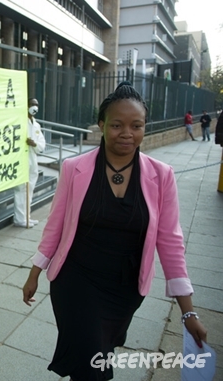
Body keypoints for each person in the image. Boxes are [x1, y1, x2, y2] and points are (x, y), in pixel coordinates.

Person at [22, 82, 207, 380]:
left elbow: (171, 243)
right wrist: (35, 272)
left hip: (125, 289)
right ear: (101, 125)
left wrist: (188, 311)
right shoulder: (74, 168)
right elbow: (55, 224)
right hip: (76, 281)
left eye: (137, 126)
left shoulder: (162, 176)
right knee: (92, 365)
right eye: (117, 125)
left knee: (99, 353)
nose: (127, 133)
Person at [13, 97, 46, 227]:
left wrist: (34, 143)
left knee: (30, 189)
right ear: (27, 105)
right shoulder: (21, 122)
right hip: (22, 158)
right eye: (32, 104)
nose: (35, 107)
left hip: (32, 159)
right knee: (21, 189)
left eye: (36, 105)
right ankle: (19, 218)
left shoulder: (36, 124)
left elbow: (42, 144)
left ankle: (27, 216)